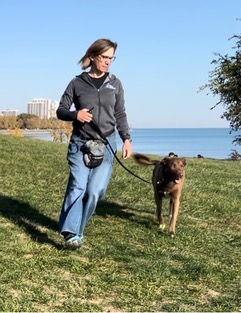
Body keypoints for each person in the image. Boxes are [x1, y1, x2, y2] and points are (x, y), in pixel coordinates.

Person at [56, 38, 132, 250]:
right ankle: (71, 234)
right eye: (104, 57)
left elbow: (120, 113)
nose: (108, 62)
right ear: (92, 56)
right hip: (81, 143)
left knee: (95, 192)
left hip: (106, 143)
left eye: (111, 58)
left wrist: (126, 138)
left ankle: (78, 230)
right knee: (77, 187)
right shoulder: (77, 83)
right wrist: (75, 115)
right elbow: (61, 110)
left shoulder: (115, 83)